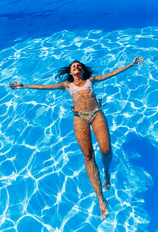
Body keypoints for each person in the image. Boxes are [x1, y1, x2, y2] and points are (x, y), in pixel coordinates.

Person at [9, 57, 144, 220]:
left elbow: (112, 74)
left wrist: (131, 64)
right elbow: (45, 87)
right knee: (88, 156)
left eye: (79, 66)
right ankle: (101, 199)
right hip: (80, 117)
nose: (76, 67)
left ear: (82, 70)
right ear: (70, 71)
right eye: (73, 66)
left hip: (96, 114)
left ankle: (107, 171)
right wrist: (23, 86)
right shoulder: (67, 85)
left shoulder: (91, 80)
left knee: (106, 151)